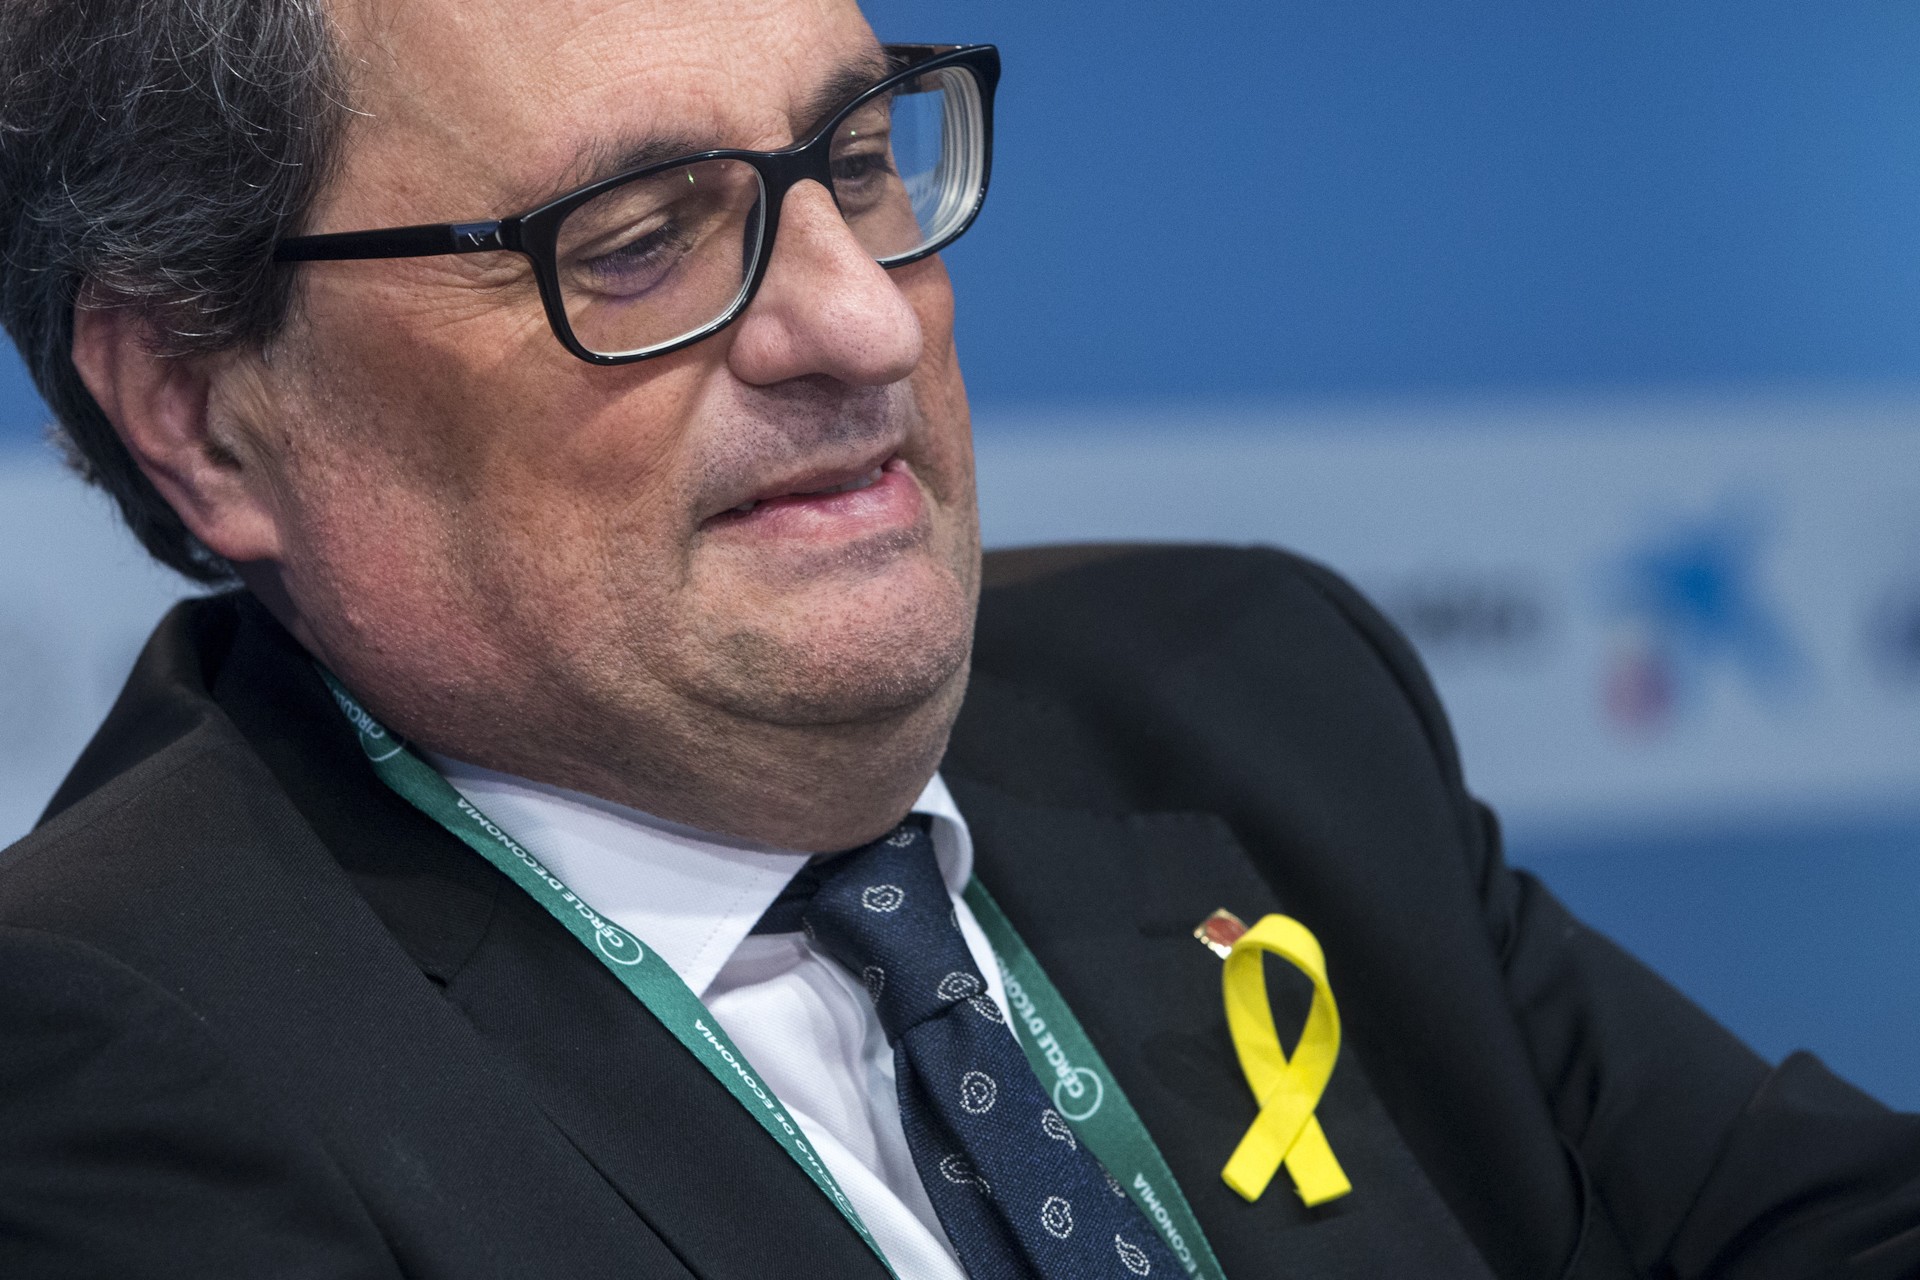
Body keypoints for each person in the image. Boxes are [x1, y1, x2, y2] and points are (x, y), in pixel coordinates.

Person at [0, 0, 1913, 1276]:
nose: (863, 322)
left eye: (852, 164)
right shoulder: (108, 1066)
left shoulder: (1238, 690)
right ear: (200, 410)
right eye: (636, 239)